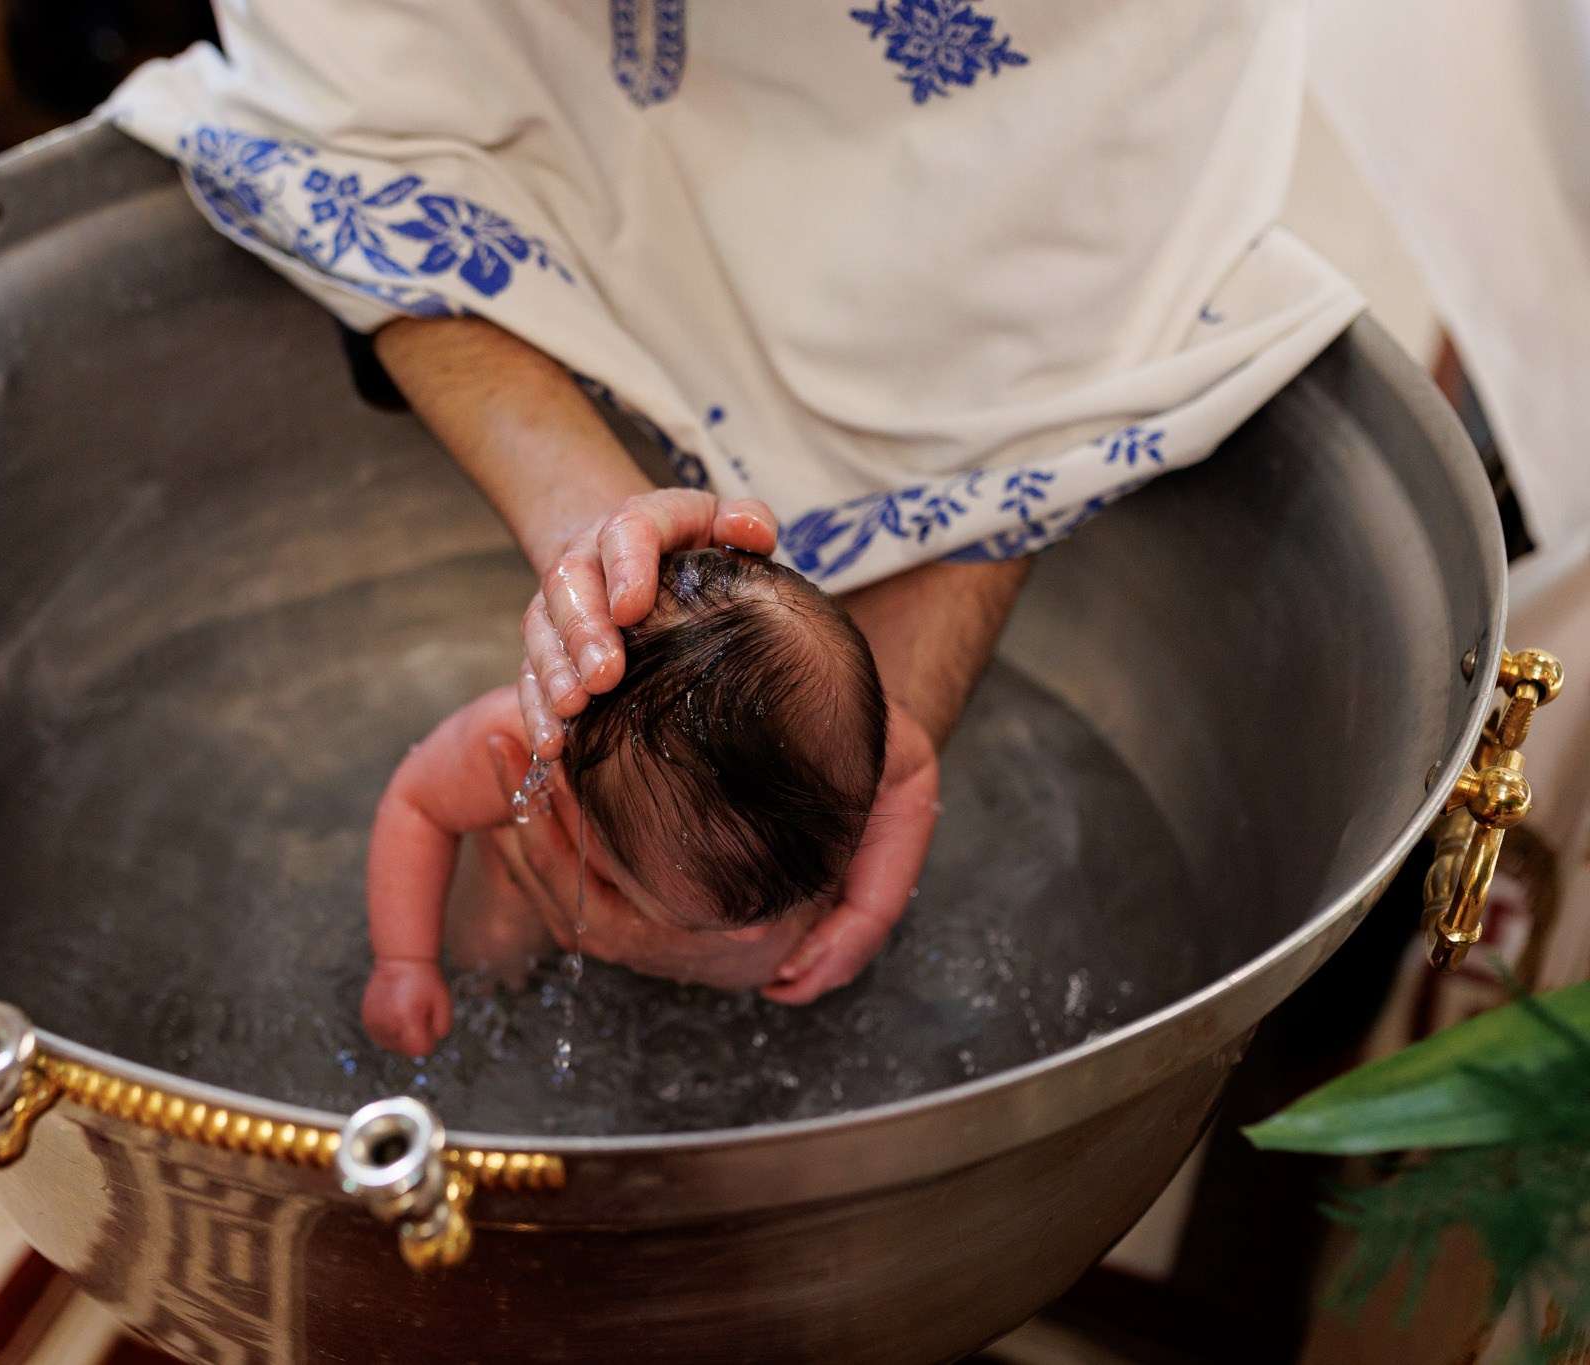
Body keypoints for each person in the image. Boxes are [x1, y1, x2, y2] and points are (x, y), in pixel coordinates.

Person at [105, 2, 1363, 998]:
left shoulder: (865, 770)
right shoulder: (517, 759)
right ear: (569, 783)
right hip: (527, 60)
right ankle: (492, 974)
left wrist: (849, 916)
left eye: (783, 882)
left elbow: (898, 791)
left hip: (1023, 94)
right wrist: (409, 968)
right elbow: (414, 812)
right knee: (506, 894)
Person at [362, 548, 921, 1055]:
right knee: (493, 945)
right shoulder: (523, 745)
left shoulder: (830, 733)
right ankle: (492, 990)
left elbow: (913, 771)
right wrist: (404, 962)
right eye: (704, 918)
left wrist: (866, 913)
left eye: (794, 901)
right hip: (527, 863)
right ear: (583, 801)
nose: (750, 936)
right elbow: (417, 804)